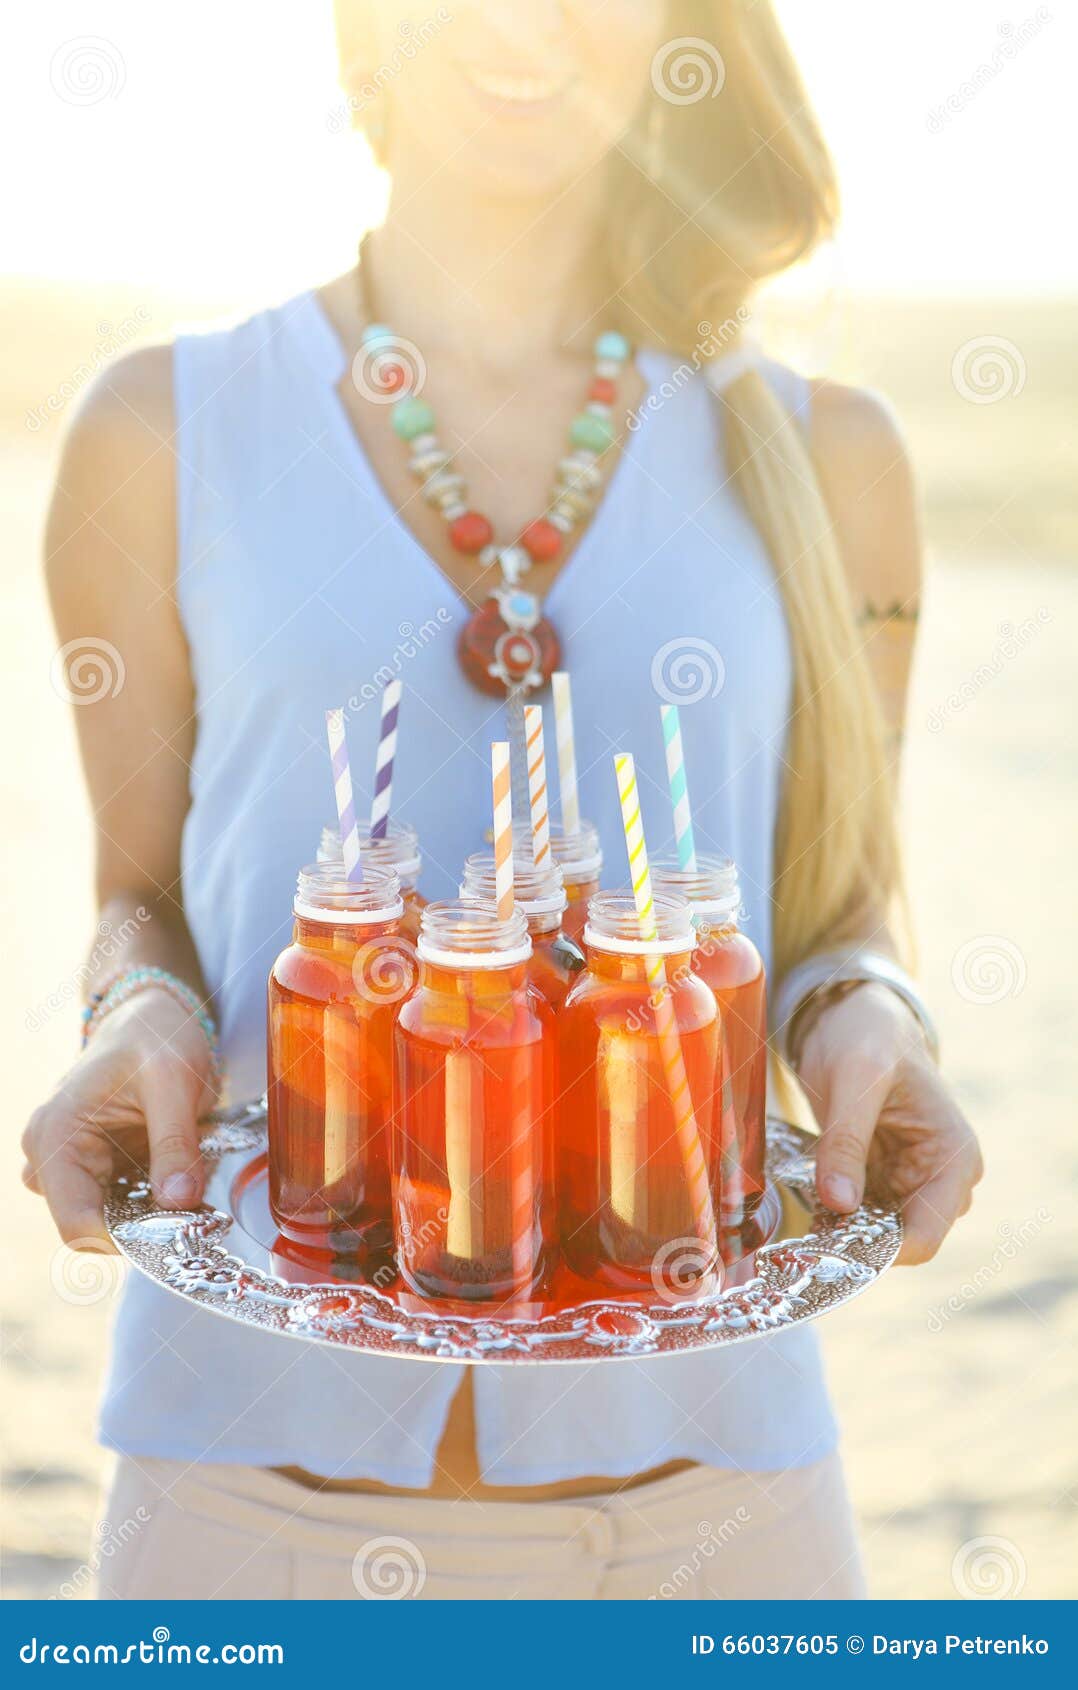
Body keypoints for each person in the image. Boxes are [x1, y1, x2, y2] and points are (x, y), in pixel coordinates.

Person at [24, 0, 982, 1600]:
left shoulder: (831, 454)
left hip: (714, 1507)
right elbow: (142, 902)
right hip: (242, 1499)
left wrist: (871, 1016)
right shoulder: (155, 429)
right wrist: (136, 1015)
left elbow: (838, 913)